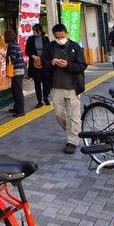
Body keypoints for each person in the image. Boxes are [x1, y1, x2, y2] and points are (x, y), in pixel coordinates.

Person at [42, 23, 88, 154]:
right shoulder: (50, 47)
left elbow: (82, 65)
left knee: (74, 116)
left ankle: (72, 141)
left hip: (73, 87)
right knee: (59, 115)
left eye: (62, 36)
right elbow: (44, 63)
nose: (60, 38)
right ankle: (72, 132)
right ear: (54, 36)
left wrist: (68, 65)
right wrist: (51, 63)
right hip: (56, 87)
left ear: (66, 33)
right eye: (57, 37)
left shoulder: (75, 46)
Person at [25, 23, 51, 108]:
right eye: (33, 31)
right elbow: (27, 51)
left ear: (40, 31)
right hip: (34, 64)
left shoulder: (46, 39)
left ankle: (46, 97)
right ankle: (39, 101)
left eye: (35, 31)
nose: (34, 32)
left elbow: (49, 51)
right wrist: (34, 56)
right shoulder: (31, 39)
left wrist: (42, 58)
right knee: (37, 83)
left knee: (46, 82)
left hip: (44, 64)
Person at [4, 29, 26, 117]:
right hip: (19, 70)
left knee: (17, 91)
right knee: (15, 90)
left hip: (17, 71)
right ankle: (16, 108)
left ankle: (21, 111)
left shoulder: (12, 45)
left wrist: (3, 56)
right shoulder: (14, 44)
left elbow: (11, 59)